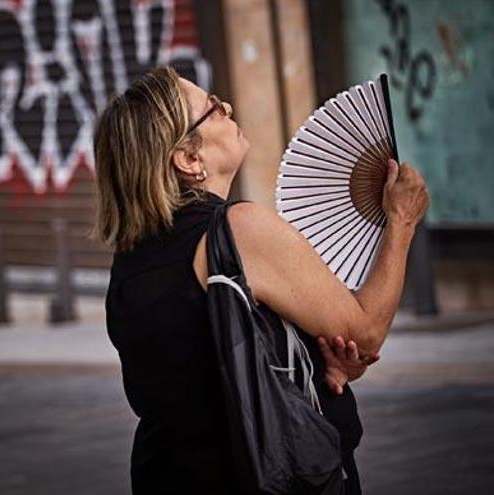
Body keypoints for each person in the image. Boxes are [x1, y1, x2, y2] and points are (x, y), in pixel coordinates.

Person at [93, 66, 429, 494]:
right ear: (189, 159)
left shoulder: (129, 262)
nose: (227, 105)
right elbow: (364, 333)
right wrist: (400, 221)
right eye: (212, 109)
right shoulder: (239, 230)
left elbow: (209, 371)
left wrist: (319, 362)